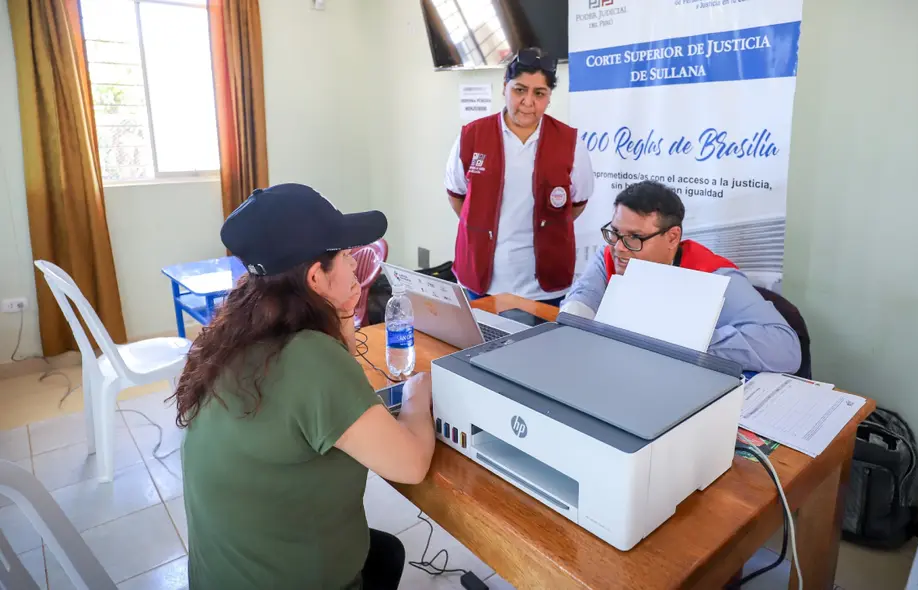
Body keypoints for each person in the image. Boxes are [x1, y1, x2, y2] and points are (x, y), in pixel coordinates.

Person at [171, 184, 437, 590]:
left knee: (385, 552)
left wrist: (341, 315)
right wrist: (419, 393)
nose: (355, 268)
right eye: (346, 257)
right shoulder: (309, 359)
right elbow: (412, 465)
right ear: (315, 276)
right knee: (384, 555)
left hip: (223, 576)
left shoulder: (236, 332)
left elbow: (327, 386)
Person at [562, 180, 802, 374]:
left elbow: (785, 349)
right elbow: (585, 295)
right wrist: (571, 321)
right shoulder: (613, 253)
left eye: (635, 237)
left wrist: (685, 338)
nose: (619, 248)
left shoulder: (714, 275)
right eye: (615, 232)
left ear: (672, 237)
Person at [445, 47, 594, 307]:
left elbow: (577, 203)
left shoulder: (570, 143)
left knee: (543, 348)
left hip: (544, 287)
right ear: (505, 87)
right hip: (481, 282)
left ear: (549, 98)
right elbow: (457, 195)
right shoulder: (472, 136)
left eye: (539, 93)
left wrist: (548, 230)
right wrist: (482, 225)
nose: (528, 102)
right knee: (483, 347)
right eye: (519, 90)